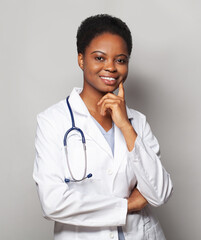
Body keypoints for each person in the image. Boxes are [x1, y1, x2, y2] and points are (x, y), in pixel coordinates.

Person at [33, 14, 173, 240]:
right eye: (99, 58)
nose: (111, 67)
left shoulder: (137, 121)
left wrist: (125, 125)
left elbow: (160, 193)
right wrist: (126, 205)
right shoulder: (52, 121)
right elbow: (53, 203)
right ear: (81, 60)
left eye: (120, 60)